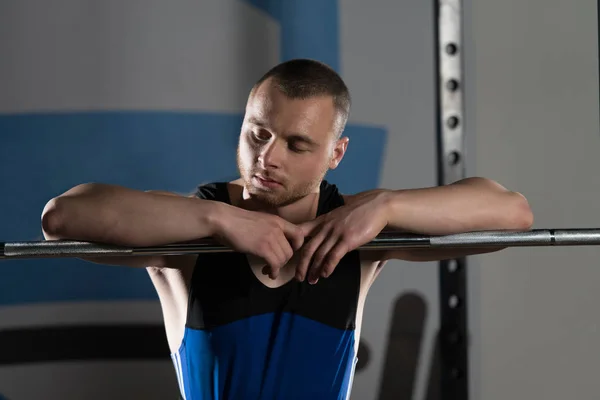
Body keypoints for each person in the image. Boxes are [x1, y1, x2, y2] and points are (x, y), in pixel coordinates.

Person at [40, 59, 533, 399]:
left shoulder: (358, 232)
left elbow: (511, 215)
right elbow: (63, 218)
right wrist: (220, 220)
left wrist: (386, 204)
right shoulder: (187, 230)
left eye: (297, 145)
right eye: (258, 134)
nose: (267, 158)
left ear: (334, 154)